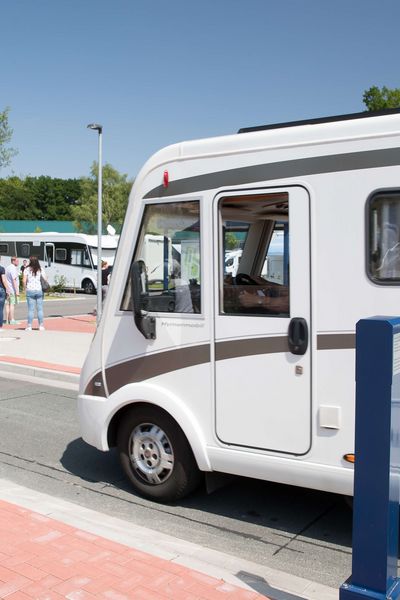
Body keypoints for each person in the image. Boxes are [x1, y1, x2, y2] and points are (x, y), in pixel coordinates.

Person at [23, 256, 47, 331]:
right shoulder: (41, 269)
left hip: (30, 290)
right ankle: (41, 326)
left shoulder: (27, 269)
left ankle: (29, 326)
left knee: (31, 310)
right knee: (40, 309)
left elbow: (24, 280)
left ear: (30, 261)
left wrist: (24, 289)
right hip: (39, 290)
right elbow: (45, 279)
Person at [5, 256, 20, 325]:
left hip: (8, 289)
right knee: (12, 304)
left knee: (7, 304)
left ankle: (7, 320)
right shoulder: (13, 268)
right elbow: (14, 280)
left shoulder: (7, 268)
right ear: (13, 261)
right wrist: (17, 290)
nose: (18, 262)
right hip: (12, 289)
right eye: (17, 261)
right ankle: (12, 320)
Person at [0, 257, 9, 329]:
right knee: (0, 308)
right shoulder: (1, 268)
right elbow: (3, 280)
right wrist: (7, 289)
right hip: (1, 289)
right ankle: (0, 325)